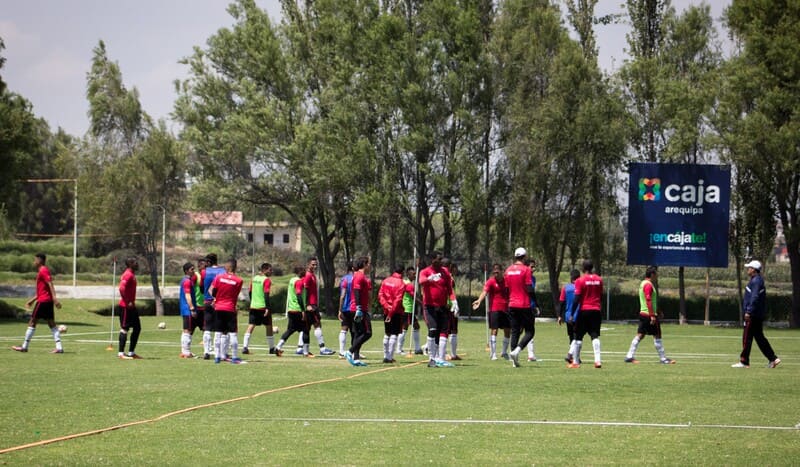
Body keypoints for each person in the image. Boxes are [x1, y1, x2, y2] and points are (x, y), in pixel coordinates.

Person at [732, 260, 781, 369]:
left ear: (753, 270)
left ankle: (744, 361)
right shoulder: (757, 281)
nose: (747, 269)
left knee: (747, 337)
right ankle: (773, 358)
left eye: (749, 267)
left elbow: (754, 298)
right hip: (757, 314)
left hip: (753, 315)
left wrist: (748, 311)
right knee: (759, 338)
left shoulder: (756, 282)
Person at [12, 253, 63, 354]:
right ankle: (59, 348)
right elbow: (43, 290)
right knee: (51, 324)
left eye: (35, 260)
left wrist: (55, 298)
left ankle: (24, 347)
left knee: (32, 322)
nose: (34, 262)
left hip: (43, 301)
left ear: (40, 260)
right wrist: (32, 300)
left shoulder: (43, 270)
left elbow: (50, 284)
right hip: (46, 300)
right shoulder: (43, 270)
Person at [624, 266, 675, 365]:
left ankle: (629, 356)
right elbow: (648, 300)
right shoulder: (648, 285)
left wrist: (658, 310)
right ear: (652, 274)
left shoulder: (643, 283)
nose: (657, 276)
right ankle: (663, 358)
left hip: (644, 313)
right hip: (649, 315)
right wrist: (652, 315)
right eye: (656, 274)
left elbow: (652, 300)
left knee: (640, 335)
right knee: (657, 335)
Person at [418, 251, 455, 368]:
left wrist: (454, 301)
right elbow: (420, 281)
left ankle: (441, 358)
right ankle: (431, 358)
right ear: (432, 260)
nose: (441, 261)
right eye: (439, 259)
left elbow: (450, 289)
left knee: (444, 331)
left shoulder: (445, 272)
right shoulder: (425, 271)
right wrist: (430, 278)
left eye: (441, 259)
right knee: (433, 330)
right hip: (430, 307)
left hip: (443, 307)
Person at [567, 259, 604, 369]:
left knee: (578, 336)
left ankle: (576, 362)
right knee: (595, 335)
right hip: (596, 310)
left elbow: (577, 298)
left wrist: (572, 313)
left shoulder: (580, 280)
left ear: (583, 268)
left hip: (584, 310)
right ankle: (597, 361)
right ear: (592, 268)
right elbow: (601, 296)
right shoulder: (599, 280)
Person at [295, 256, 335, 356]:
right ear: (308, 264)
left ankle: (300, 348)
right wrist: (308, 304)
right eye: (313, 264)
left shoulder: (312, 275)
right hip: (311, 305)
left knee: (306, 327)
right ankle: (322, 348)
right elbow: (306, 291)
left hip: (312, 304)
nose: (315, 266)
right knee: (317, 325)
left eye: (316, 264)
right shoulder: (308, 276)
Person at [208, 257, 244, 364]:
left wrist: (216, 298)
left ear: (226, 267)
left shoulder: (219, 277)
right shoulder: (239, 280)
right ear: (235, 267)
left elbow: (212, 291)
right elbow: (235, 294)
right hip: (230, 308)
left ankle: (217, 357)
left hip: (219, 307)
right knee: (232, 333)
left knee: (218, 333)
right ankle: (234, 357)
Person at [504, 248, 536, 368]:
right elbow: (529, 288)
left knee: (515, 331)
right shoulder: (526, 270)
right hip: (524, 305)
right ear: (524, 257)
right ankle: (517, 351)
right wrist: (536, 303)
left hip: (511, 304)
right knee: (530, 331)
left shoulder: (508, 270)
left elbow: (506, 290)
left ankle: (514, 361)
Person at [472, 263, 510, 361]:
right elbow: (484, 292)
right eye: (494, 273)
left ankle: (504, 352)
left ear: (502, 271)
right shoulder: (491, 281)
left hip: (506, 309)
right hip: (494, 309)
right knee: (494, 331)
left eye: (497, 272)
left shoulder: (507, 281)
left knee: (507, 331)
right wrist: (479, 300)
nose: (496, 274)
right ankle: (493, 354)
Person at [274, 266, 309, 357]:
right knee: (305, 329)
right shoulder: (299, 281)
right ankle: (306, 352)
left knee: (290, 330)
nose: (305, 271)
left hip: (290, 309)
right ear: (300, 272)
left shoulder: (292, 280)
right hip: (297, 309)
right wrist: (303, 310)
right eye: (303, 270)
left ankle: (278, 347)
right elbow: (298, 296)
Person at [345, 256, 372, 366]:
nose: (370, 266)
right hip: (359, 309)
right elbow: (356, 291)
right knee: (367, 333)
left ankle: (356, 359)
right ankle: (349, 351)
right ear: (365, 264)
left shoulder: (360, 276)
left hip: (358, 308)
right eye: (369, 263)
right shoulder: (359, 276)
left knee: (358, 333)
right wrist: (359, 308)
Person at [243, 262, 274, 355]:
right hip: (262, 307)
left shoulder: (254, 278)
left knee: (251, 325)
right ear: (264, 270)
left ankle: (245, 347)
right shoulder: (267, 280)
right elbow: (266, 295)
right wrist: (267, 308)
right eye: (270, 269)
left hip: (253, 306)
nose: (271, 271)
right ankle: (272, 348)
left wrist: (253, 301)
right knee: (269, 327)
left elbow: (250, 292)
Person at [379, 265, 406, 363]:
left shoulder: (385, 280)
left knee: (387, 333)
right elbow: (398, 300)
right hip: (396, 311)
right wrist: (391, 311)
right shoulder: (401, 283)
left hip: (386, 310)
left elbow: (380, 295)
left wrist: (386, 306)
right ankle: (389, 357)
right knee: (394, 333)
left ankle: (386, 355)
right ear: (402, 272)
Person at [202, 253, 226, 360]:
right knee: (219, 328)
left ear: (208, 262)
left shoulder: (204, 272)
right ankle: (218, 353)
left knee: (207, 327)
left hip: (207, 301)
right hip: (220, 302)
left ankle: (206, 352)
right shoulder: (223, 271)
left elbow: (202, 288)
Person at [117, 256, 142, 359]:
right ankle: (121, 353)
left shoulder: (132, 274)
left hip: (132, 307)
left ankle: (131, 352)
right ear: (130, 264)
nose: (137, 264)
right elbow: (121, 288)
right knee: (124, 328)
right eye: (135, 262)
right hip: (125, 307)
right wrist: (128, 302)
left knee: (137, 328)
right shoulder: (127, 275)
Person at [397, 266, 423, 355]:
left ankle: (417, 349)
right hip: (407, 309)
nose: (415, 276)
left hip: (409, 309)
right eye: (413, 274)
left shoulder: (406, 283)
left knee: (416, 326)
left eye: (415, 274)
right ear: (408, 274)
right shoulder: (408, 284)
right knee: (404, 328)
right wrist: (423, 305)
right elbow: (414, 297)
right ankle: (399, 349)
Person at [442, 257, 461, 361]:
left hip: (445, 305)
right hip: (449, 307)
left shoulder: (440, 275)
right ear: (450, 267)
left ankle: (453, 355)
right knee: (449, 330)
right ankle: (445, 354)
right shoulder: (449, 277)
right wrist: (455, 304)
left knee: (451, 330)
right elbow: (450, 292)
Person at [179, 262, 199, 358]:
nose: (193, 271)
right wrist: (192, 308)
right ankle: (186, 352)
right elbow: (187, 295)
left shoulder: (186, 280)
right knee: (187, 330)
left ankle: (185, 351)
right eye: (192, 269)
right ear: (186, 271)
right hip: (187, 309)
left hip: (185, 309)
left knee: (186, 330)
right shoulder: (187, 281)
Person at [559, 269, 580, 364]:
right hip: (578, 315)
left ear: (571, 277)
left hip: (568, 316)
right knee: (577, 337)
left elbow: (562, 302)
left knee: (571, 336)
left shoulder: (565, 288)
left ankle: (574, 357)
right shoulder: (581, 287)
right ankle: (572, 356)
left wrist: (560, 315)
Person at [525, 258, 541, 362]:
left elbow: (532, 293)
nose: (533, 269)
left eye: (534, 266)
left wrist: (535, 305)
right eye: (531, 266)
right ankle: (512, 351)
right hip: (522, 306)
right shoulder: (522, 278)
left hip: (531, 307)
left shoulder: (533, 279)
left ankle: (531, 354)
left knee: (530, 330)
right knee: (518, 330)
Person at [337, 262, 355, 358]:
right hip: (354, 308)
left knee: (344, 329)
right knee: (355, 330)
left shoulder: (344, 279)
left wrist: (340, 310)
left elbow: (342, 296)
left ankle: (341, 352)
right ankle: (354, 352)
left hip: (345, 308)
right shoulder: (356, 279)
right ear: (353, 268)